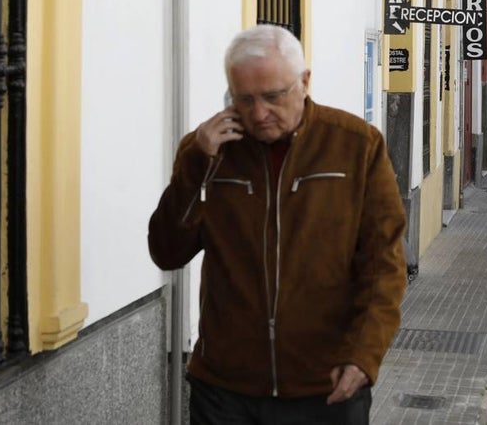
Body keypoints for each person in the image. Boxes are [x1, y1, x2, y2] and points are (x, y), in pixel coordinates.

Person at [148, 24, 408, 424]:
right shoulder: (208, 151)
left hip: (327, 388)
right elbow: (167, 252)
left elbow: (383, 266)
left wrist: (364, 356)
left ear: (304, 82)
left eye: (272, 96)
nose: (258, 113)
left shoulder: (356, 146)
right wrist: (195, 165)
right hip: (225, 390)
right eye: (243, 99)